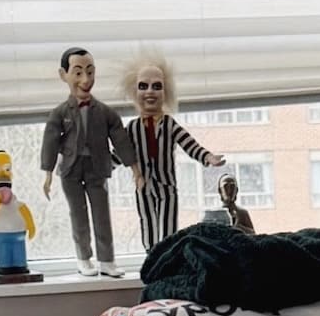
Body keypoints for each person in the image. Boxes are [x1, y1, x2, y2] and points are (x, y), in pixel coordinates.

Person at [40, 46, 143, 277]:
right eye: (77, 72)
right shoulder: (60, 113)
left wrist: (134, 168)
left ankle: (107, 260)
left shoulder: (106, 113)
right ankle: (84, 258)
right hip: (70, 170)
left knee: (101, 214)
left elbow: (121, 140)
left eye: (90, 72)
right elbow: (50, 142)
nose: (85, 79)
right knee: (78, 214)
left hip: (97, 168)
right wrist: (47, 174)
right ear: (63, 75)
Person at [118, 53, 226, 251]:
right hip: (143, 187)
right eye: (143, 86)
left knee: (168, 228)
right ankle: (151, 257)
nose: (150, 92)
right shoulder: (132, 128)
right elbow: (119, 154)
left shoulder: (169, 125)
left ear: (165, 92)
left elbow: (190, 145)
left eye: (157, 86)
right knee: (147, 223)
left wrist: (207, 157)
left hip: (167, 187)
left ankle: (167, 258)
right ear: (135, 91)